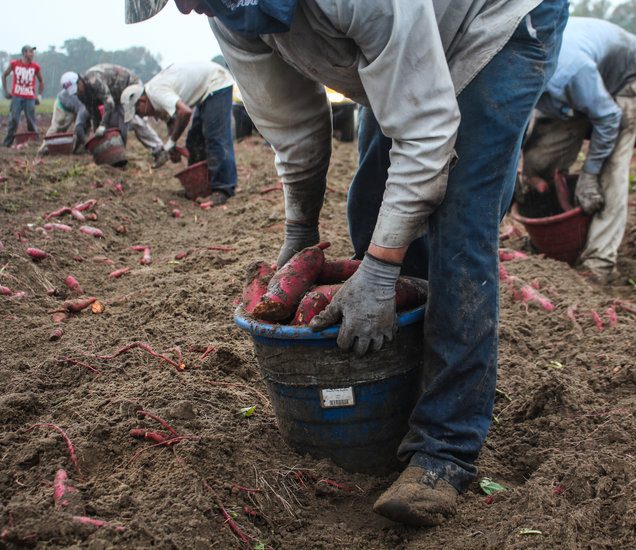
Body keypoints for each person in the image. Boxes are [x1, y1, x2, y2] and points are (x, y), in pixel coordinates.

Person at [126, 0, 567, 526]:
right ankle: (398, 385)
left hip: (491, 28)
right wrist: (301, 232)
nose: (185, 7)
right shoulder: (229, 13)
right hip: (404, 55)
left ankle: (444, 450)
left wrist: (381, 270)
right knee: (370, 204)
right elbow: (295, 130)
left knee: (459, 228)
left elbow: (425, 131)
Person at [520, 17, 636, 284]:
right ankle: (555, 239)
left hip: (623, 81)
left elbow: (608, 118)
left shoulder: (572, 72)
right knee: (539, 160)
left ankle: (599, 262)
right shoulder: (520, 75)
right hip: (571, 90)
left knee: (610, 170)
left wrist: (589, 174)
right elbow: (517, 128)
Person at [121, 61, 237, 204]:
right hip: (205, 91)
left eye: (138, 111)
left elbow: (185, 112)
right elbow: (171, 120)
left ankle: (223, 189)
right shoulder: (154, 99)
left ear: (143, 100)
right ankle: (200, 186)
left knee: (215, 137)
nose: (140, 115)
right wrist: (172, 145)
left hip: (217, 82)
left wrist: (171, 142)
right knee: (194, 141)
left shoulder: (156, 92)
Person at [78, 64, 168, 168]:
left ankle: (159, 149)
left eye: (77, 88)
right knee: (115, 125)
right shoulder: (81, 93)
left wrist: (102, 126)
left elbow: (109, 102)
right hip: (116, 95)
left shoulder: (93, 80)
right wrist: (98, 133)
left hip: (129, 86)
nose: (77, 92)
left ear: (80, 81)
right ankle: (116, 155)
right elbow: (94, 112)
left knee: (133, 120)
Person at [39, 72, 91, 155]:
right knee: (58, 127)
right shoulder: (78, 101)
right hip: (63, 107)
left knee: (86, 125)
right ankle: (44, 148)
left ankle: (77, 148)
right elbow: (79, 126)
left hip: (78, 108)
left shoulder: (90, 86)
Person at [2, 45, 44, 147]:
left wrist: (39, 95)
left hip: (30, 97)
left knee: (31, 119)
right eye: (31, 52)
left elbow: (41, 81)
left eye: (33, 52)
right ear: (24, 53)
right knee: (14, 119)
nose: (33, 54)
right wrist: (6, 91)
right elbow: (4, 75)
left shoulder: (35, 67)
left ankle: (35, 142)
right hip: (17, 96)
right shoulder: (14, 64)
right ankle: (7, 143)